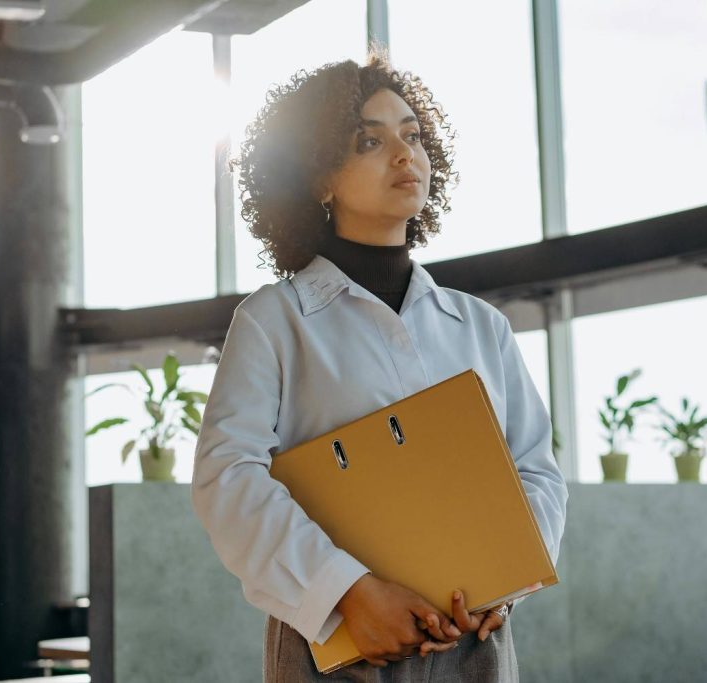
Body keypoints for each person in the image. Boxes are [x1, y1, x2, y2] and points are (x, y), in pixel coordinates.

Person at [191, 48, 568, 682]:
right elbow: (227, 479)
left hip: (474, 639)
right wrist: (349, 594)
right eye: (370, 140)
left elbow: (534, 468)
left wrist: (506, 575)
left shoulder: (481, 325)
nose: (404, 155)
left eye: (413, 136)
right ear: (320, 178)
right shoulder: (274, 320)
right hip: (338, 641)